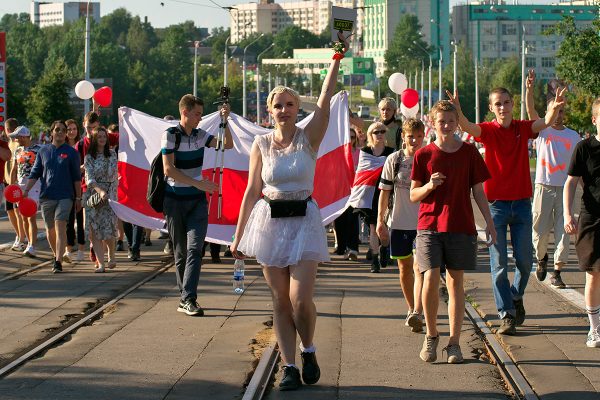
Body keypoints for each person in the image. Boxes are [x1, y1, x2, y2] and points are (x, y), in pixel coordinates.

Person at [231, 35, 348, 391]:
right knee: (279, 301)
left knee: (300, 300)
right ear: (270, 111)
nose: (284, 110)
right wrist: (237, 238)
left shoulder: (308, 136)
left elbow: (326, 102)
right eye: (278, 105)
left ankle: (309, 349)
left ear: (298, 108)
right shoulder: (261, 143)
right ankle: (290, 367)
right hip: (269, 223)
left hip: (304, 222)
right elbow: (252, 191)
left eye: (290, 104)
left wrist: (337, 57)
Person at [447, 85, 565, 335]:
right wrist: (458, 110)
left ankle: (515, 296)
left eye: (507, 102)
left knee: (524, 263)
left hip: (522, 204)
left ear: (513, 105)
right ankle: (506, 314)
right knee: (499, 264)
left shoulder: (522, 128)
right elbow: (468, 127)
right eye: (498, 104)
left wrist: (554, 106)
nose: (503, 107)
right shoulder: (489, 131)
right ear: (491, 108)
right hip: (496, 207)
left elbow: (544, 123)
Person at [410, 100, 496, 364]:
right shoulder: (423, 154)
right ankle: (432, 335)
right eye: (441, 121)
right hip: (429, 226)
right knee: (431, 278)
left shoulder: (469, 152)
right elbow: (414, 194)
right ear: (432, 124)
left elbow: (479, 192)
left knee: (456, 283)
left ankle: (455, 343)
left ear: (457, 123)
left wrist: (489, 222)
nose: (446, 126)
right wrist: (430, 187)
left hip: (460, 225)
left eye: (450, 121)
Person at [162, 94, 232, 316]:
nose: (200, 119)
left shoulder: (201, 135)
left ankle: (188, 298)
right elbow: (169, 170)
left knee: (195, 249)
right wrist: (198, 184)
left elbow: (227, 145)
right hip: (174, 200)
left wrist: (225, 120)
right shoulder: (171, 135)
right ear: (185, 112)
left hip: (196, 202)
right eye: (197, 114)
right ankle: (185, 297)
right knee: (181, 252)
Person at [525, 71, 580, 288]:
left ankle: (557, 270)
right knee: (539, 229)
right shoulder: (543, 131)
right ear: (549, 111)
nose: (559, 114)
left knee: (564, 230)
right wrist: (529, 89)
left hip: (565, 190)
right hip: (543, 186)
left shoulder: (573, 136)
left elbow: (579, 169)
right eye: (555, 109)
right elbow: (530, 110)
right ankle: (542, 258)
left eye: (562, 110)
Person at [377, 118, 426, 333]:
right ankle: (411, 308)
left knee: (419, 268)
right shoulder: (394, 160)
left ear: (423, 136)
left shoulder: (428, 158)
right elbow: (385, 191)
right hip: (398, 222)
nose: (414, 140)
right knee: (404, 268)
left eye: (418, 136)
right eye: (410, 136)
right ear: (403, 137)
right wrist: (380, 220)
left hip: (423, 223)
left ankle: (418, 311)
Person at [563, 97, 600, 348]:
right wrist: (568, 214)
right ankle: (594, 329)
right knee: (594, 274)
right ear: (595, 119)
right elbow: (571, 182)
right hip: (592, 217)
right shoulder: (584, 148)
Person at [24, 120, 82, 273]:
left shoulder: (72, 153)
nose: (61, 132)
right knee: (50, 230)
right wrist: (26, 190)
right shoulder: (44, 151)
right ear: (52, 133)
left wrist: (78, 198)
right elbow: (35, 173)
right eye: (58, 130)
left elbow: (77, 178)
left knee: (60, 225)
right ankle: (57, 254)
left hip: (65, 196)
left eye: (63, 130)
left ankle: (57, 262)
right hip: (47, 196)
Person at [359, 122, 395, 272]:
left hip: (387, 193)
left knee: (385, 230)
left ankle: (385, 249)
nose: (379, 134)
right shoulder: (365, 152)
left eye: (382, 131)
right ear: (370, 135)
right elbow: (361, 175)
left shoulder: (391, 152)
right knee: (373, 228)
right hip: (370, 196)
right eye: (376, 132)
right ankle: (375, 260)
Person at [83, 126, 118, 273]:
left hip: (109, 195)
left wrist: (106, 191)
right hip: (93, 195)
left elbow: (112, 174)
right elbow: (89, 178)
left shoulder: (111, 154)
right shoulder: (89, 157)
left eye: (104, 137)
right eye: (99, 137)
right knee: (94, 231)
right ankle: (101, 263)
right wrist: (99, 191)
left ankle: (111, 254)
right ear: (94, 139)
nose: (102, 139)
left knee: (108, 229)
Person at [9, 126, 42, 257]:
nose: (16, 139)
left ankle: (32, 246)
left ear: (24, 137)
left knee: (31, 217)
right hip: (20, 186)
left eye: (17, 137)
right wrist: (11, 187)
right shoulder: (18, 150)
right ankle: (29, 243)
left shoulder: (39, 149)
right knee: (23, 217)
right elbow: (14, 169)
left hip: (33, 185)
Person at [3, 118, 27, 251]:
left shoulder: (18, 145)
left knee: (18, 212)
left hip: (16, 183)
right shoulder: (8, 144)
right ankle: (19, 235)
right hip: (8, 182)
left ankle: (22, 239)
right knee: (10, 211)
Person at [64, 119, 85, 263]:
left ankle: (82, 249)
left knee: (80, 219)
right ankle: (68, 249)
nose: (72, 131)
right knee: (68, 220)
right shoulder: (62, 147)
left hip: (80, 185)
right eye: (69, 129)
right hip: (66, 185)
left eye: (74, 129)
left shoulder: (81, 145)